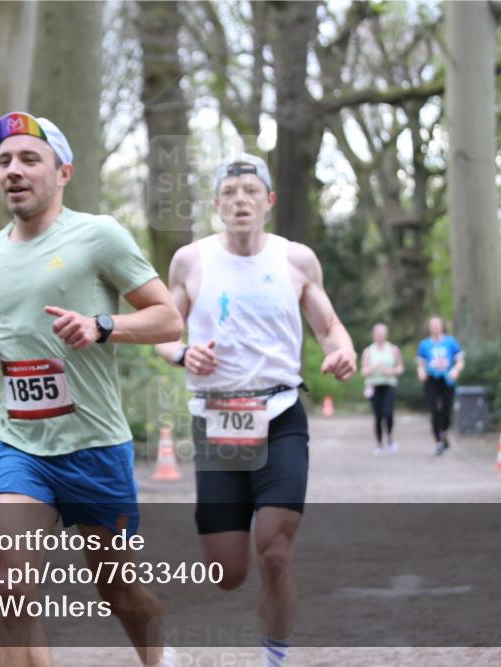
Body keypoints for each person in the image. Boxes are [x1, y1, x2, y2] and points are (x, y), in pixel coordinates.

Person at [0, 111, 183, 667]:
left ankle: (160, 658)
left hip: (93, 448)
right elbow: (10, 315)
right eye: (5, 161)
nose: (14, 170)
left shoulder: (99, 235)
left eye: (29, 160)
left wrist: (101, 325)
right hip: (21, 447)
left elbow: (168, 318)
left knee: (119, 591)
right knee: (13, 589)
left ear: (63, 172)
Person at [155, 154, 357, 667]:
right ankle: (263, 606)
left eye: (250, 191)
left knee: (274, 547)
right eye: (229, 192)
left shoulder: (296, 260)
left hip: (281, 414)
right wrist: (182, 352)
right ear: (217, 203)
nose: (240, 200)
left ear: (268, 202)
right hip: (217, 420)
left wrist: (343, 350)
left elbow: (329, 325)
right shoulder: (191, 261)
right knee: (228, 572)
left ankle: (276, 656)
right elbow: (162, 329)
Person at [416, 315, 465, 456]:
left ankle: (444, 431)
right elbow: (421, 363)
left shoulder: (451, 342)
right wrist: (421, 372)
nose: (435, 328)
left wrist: (456, 370)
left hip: (447, 379)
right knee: (434, 410)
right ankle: (438, 441)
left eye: (437, 325)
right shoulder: (424, 344)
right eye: (432, 325)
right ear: (429, 328)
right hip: (431, 379)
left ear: (442, 326)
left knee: (446, 410)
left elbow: (460, 360)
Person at [360, 323, 404, 455]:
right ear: (374, 335)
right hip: (374, 385)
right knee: (378, 416)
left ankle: (390, 438)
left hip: (388, 385)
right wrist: (374, 368)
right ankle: (379, 444)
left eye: (382, 334)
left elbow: (400, 367)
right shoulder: (368, 351)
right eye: (377, 334)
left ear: (386, 335)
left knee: (388, 413)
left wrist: (391, 371)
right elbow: (363, 371)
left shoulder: (393, 349)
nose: (379, 337)